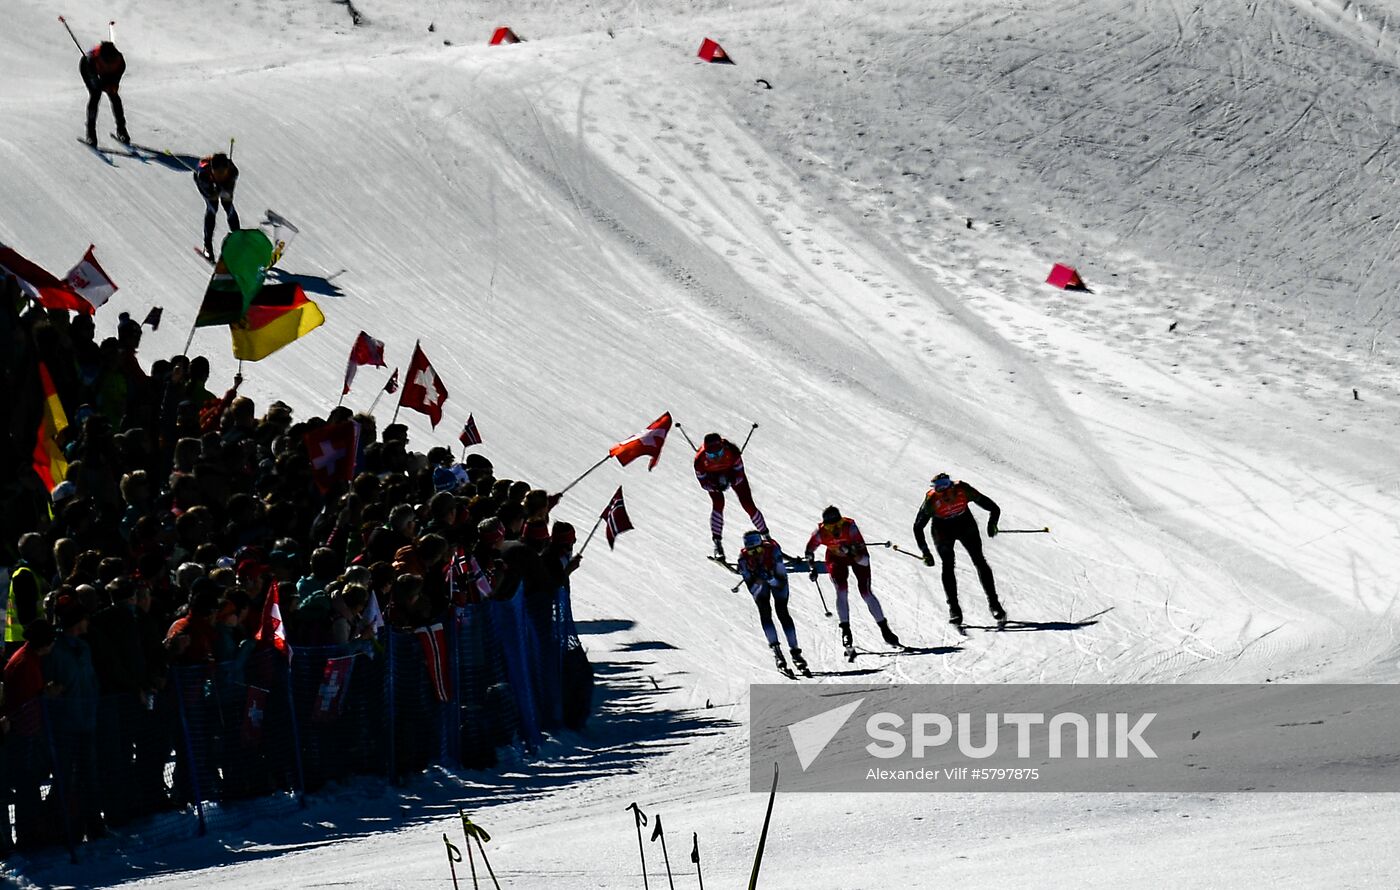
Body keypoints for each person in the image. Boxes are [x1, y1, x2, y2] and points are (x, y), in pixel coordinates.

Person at [913, 472, 1005, 627]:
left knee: (979, 561)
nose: (944, 493)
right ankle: (954, 609)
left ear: (951, 485)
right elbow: (917, 527)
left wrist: (992, 523)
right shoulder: (931, 499)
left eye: (945, 487)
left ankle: (994, 604)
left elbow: (993, 508)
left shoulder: (963, 489)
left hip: (965, 525)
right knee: (948, 565)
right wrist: (925, 552)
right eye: (939, 489)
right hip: (942, 530)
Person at [805, 506, 899, 656]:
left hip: (855, 556)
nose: (835, 529)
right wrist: (812, 567)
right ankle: (846, 630)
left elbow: (864, 559)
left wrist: (850, 551)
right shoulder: (820, 532)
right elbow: (809, 551)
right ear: (825, 525)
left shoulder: (850, 527)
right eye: (831, 526)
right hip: (836, 558)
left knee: (865, 592)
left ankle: (884, 628)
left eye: (837, 525)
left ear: (841, 522)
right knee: (841, 590)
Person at [736, 530, 807, 677]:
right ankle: (777, 651)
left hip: (776, 578)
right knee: (764, 611)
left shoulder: (773, 550)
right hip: (762, 583)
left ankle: (795, 651)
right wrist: (759, 581)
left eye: (758, 549)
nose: (755, 553)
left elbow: (781, 582)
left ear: (763, 545)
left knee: (782, 611)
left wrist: (770, 579)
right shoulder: (743, 559)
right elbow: (753, 589)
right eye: (751, 551)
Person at [693, 432, 768, 561]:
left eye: (719, 453)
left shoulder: (733, 452)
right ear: (705, 452)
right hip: (713, 479)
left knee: (748, 504)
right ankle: (717, 544)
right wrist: (715, 486)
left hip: (732, 475)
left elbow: (740, 474)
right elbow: (704, 483)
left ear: (723, 448)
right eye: (711, 455)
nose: (716, 458)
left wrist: (731, 480)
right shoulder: (699, 461)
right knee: (718, 504)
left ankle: (767, 538)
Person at [79, 41, 127, 146]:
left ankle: (121, 130)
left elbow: (118, 75)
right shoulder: (91, 60)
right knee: (95, 95)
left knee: (114, 96)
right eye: (107, 60)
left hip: (109, 74)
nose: (109, 62)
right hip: (89, 71)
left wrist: (114, 84)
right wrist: (100, 83)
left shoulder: (120, 61)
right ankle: (91, 134)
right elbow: (93, 78)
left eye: (111, 61)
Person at [194, 153, 240, 258]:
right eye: (217, 173)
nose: (220, 176)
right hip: (207, 184)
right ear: (212, 170)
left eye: (222, 173)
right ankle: (207, 245)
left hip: (223, 183)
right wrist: (214, 193)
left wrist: (225, 192)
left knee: (228, 206)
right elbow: (212, 197)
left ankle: (239, 239)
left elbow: (229, 196)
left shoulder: (233, 172)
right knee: (212, 208)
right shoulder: (203, 175)